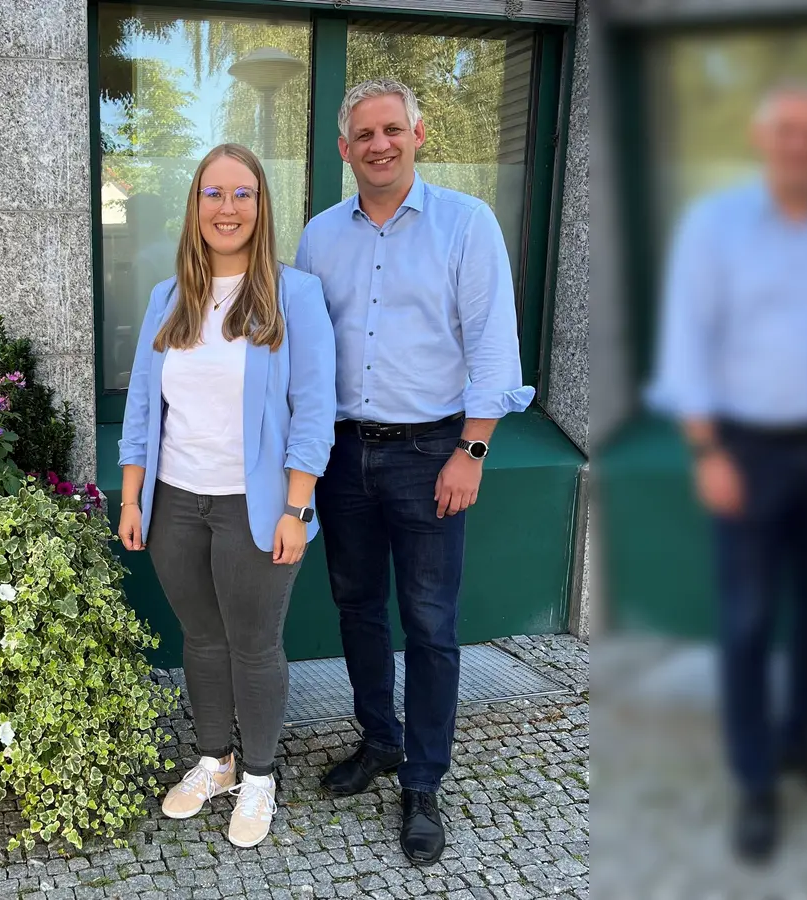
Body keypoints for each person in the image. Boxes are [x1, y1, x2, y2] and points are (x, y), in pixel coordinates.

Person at [295, 79, 533, 866]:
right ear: (344, 149)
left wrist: (473, 449)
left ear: (418, 134)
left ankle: (425, 781)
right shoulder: (320, 236)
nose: (379, 145)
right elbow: (301, 348)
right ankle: (380, 740)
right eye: (363, 135)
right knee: (357, 606)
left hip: (433, 451)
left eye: (392, 129)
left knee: (430, 623)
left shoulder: (467, 224)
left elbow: (494, 343)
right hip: (342, 453)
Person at [645, 80, 807, 863]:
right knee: (747, 622)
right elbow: (686, 344)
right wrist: (708, 450)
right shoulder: (716, 228)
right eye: (787, 132)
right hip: (745, 450)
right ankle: (754, 781)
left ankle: (798, 741)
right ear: (761, 139)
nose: (800, 146)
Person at [116, 142, 337, 849]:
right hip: (176, 502)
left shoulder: (293, 294)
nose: (228, 208)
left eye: (243, 194)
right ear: (195, 206)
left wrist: (297, 508)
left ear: (261, 206)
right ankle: (215, 759)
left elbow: (313, 408)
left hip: (258, 504)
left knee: (254, 644)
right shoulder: (167, 296)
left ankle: (262, 775)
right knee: (202, 640)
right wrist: (131, 498)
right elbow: (143, 411)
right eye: (214, 193)